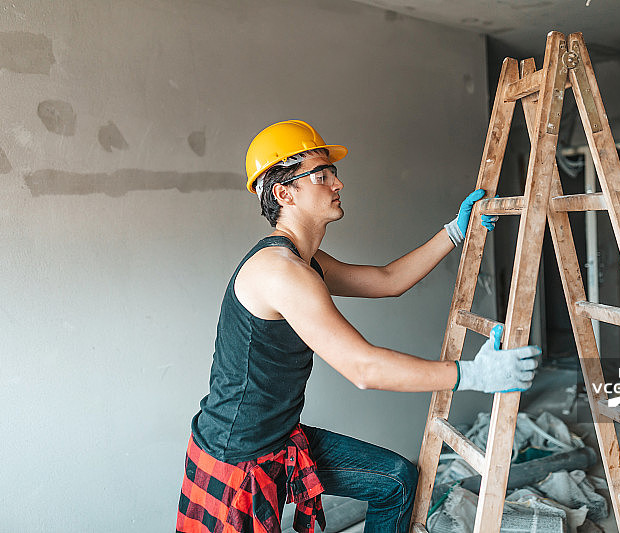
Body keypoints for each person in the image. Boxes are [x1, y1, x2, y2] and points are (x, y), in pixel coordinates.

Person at [176, 120, 541, 533]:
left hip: (279, 439)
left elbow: (387, 280)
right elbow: (363, 369)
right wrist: (474, 375)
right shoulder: (280, 272)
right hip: (237, 460)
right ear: (284, 192)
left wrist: (454, 232)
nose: (338, 184)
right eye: (321, 175)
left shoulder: (305, 261)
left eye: (333, 173)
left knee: (397, 481)